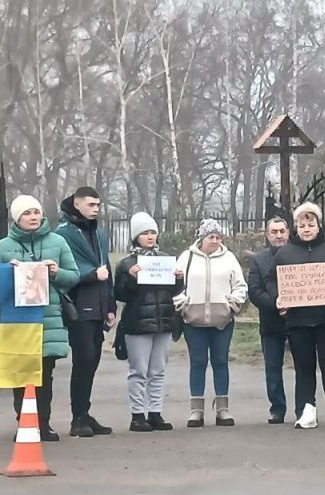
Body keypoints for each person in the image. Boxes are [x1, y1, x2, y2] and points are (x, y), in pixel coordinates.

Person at [0, 195, 80, 442]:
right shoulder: (3, 247)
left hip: (48, 318)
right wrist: (8, 272)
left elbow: (74, 276)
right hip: (17, 319)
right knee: (21, 374)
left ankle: (44, 423)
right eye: (27, 213)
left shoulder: (58, 242)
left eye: (36, 212)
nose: (33, 217)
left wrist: (56, 272)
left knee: (44, 375)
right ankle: (24, 422)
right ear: (17, 218)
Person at [273, 203, 325, 430]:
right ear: (296, 228)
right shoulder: (284, 254)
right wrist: (278, 299)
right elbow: (275, 282)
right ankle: (307, 410)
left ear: (319, 226)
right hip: (298, 320)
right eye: (302, 225)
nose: (307, 228)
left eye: (311, 224)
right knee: (303, 366)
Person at [174, 219, 248, 428]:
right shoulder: (186, 257)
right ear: (202, 238)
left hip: (222, 321)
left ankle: (223, 409)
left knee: (220, 361)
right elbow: (175, 286)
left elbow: (240, 286)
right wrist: (183, 306)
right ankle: (196, 410)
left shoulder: (229, 258)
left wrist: (231, 306)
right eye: (210, 237)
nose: (215, 241)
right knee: (197, 363)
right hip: (193, 320)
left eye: (217, 237)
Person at [56, 186, 117, 438]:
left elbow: (106, 268)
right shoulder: (64, 234)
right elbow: (64, 270)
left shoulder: (98, 233)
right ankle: (77, 417)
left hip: (99, 305)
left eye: (98, 205)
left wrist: (111, 306)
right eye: (91, 205)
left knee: (92, 362)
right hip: (79, 305)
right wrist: (91, 275)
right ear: (77, 204)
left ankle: (84, 411)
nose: (96, 209)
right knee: (83, 360)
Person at [113, 211, 179, 432]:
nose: (150, 237)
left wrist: (179, 279)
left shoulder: (166, 259)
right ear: (135, 237)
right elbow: (120, 294)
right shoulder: (126, 264)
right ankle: (137, 414)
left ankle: (155, 412)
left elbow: (173, 291)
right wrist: (130, 278)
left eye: (153, 232)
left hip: (164, 321)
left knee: (158, 370)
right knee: (139, 370)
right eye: (145, 233)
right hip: (138, 323)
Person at [247, 216, 292, 423]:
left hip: (298, 320)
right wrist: (276, 305)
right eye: (274, 232)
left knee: (304, 366)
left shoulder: (298, 254)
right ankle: (277, 409)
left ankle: (304, 407)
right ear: (267, 235)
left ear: (288, 233)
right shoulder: (260, 259)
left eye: (281, 231)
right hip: (271, 321)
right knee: (273, 367)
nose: (278, 235)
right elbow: (255, 291)